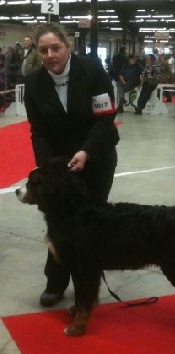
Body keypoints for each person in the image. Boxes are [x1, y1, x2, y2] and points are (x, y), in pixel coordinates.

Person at [24, 22, 120, 307]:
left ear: (68, 47)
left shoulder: (92, 70)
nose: (51, 54)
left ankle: (88, 280)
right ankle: (55, 282)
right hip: (60, 165)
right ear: (38, 53)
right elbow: (38, 130)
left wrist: (86, 152)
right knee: (59, 223)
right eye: (44, 50)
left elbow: (105, 118)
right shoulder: (33, 83)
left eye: (56, 48)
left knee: (91, 221)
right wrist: (49, 168)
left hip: (97, 157)